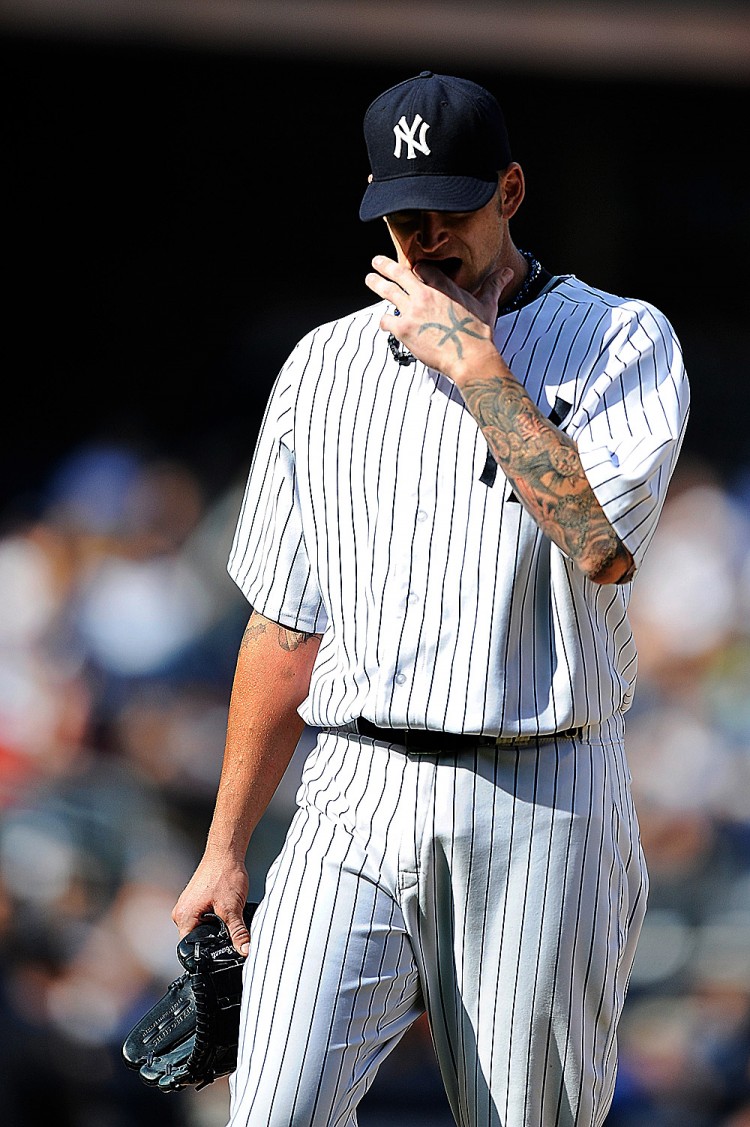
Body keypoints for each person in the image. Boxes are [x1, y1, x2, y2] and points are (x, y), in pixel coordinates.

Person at [172, 70, 689, 1127]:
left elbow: (601, 545)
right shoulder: (324, 364)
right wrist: (225, 847)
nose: (428, 236)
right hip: (354, 788)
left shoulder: (623, 338)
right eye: (406, 215)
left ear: (511, 190)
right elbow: (284, 625)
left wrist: (477, 367)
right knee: (271, 1111)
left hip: (540, 790)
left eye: (452, 208)